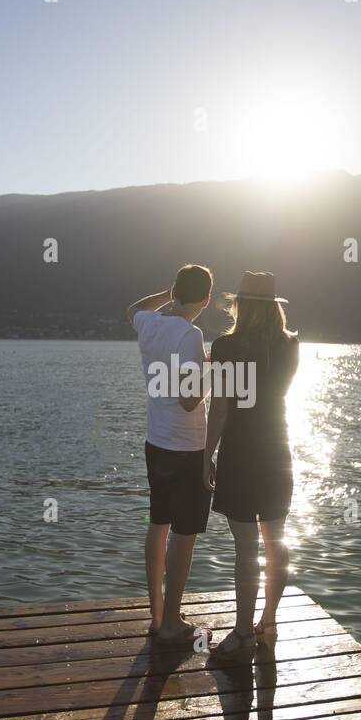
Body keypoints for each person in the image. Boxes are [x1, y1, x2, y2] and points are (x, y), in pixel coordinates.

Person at [203, 271, 299, 656]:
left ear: (239, 305)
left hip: (240, 453)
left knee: (246, 547)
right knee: (275, 541)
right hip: (277, 450)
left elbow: (222, 409)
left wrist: (205, 454)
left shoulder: (226, 346)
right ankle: (268, 623)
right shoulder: (291, 345)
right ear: (275, 306)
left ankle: (242, 632)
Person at [127, 265, 214, 644]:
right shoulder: (190, 335)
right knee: (184, 532)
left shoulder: (150, 323)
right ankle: (173, 621)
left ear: (175, 291)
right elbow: (190, 399)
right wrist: (216, 370)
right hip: (186, 447)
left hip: (156, 442)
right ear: (207, 300)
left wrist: (169, 295)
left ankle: (157, 614)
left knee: (157, 524)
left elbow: (132, 308)